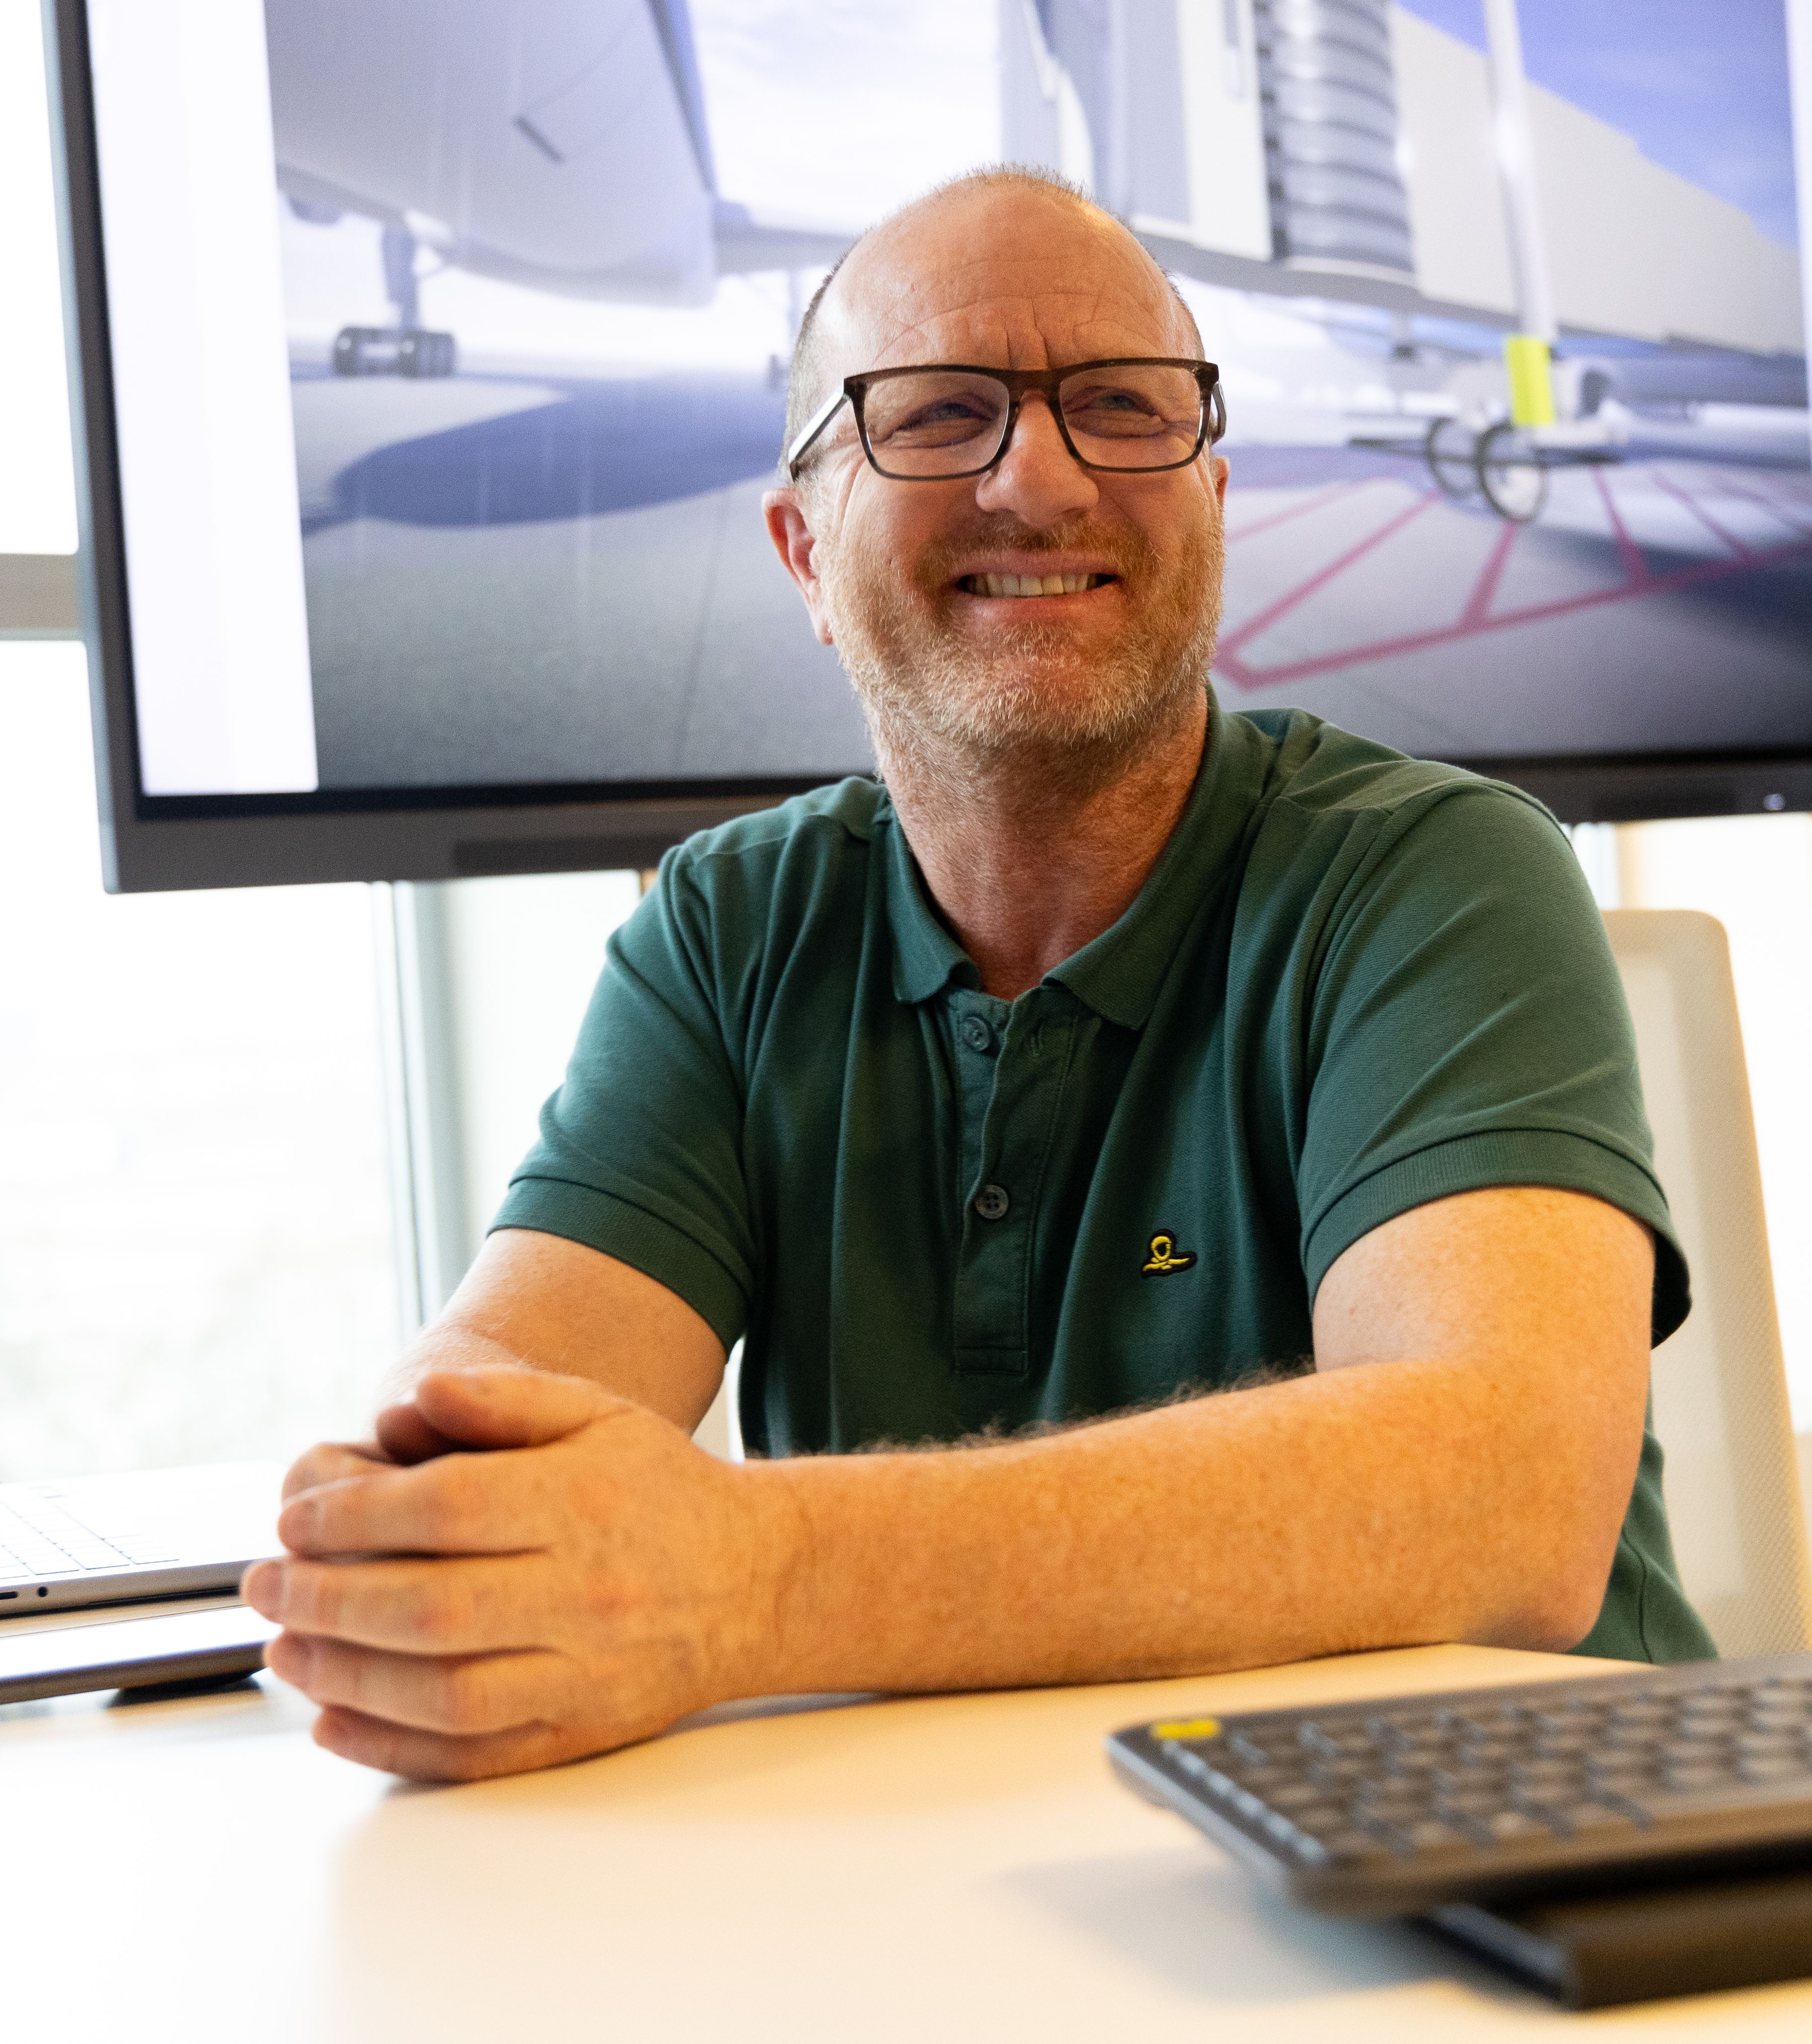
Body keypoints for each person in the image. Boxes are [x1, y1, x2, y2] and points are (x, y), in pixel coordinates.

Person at [245, 168, 1712, 1782]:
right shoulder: (730, 930)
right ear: (804, 552)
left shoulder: (1435, 874)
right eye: (937, 414)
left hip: (1519, 1918)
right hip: (957, 1899)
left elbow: (1501, 1496)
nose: (1041, 477)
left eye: (1121, 407)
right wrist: (430, 1532)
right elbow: (487, 1407)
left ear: (1211, 501)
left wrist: (748, 1571)